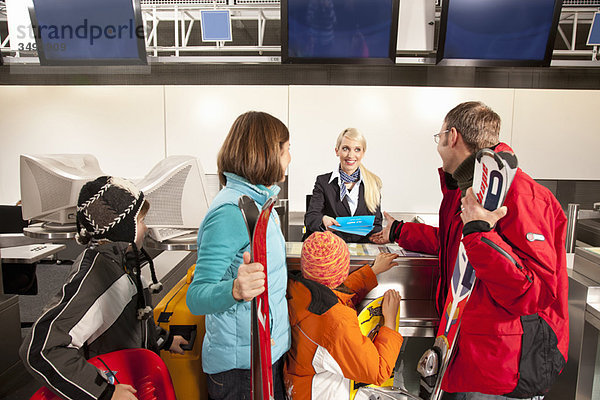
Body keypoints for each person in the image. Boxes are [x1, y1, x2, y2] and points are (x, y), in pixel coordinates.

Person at [372, 101, 568, 400]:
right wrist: (400, 231)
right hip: (461, 352)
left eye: (438, 138)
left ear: (453, 137)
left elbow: (534, 292)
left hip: (500, 367)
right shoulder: (466, 191)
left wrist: (481, 231)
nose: (438, 146)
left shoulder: (523, 196)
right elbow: (457, 245)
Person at [20, 176, 188, 400]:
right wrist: (104, 391)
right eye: (140, 221)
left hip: (133, 377)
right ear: (122, 227)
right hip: (115, 382)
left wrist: (164, 340)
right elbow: (40, 349)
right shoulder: (96, 275)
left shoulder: (123, 262)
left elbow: (132, 317)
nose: (146, 228)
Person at [186, 111, 291, 400]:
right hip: (241, 373)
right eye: (286, 150)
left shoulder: (259, 204)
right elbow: (197, 296)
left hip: (264, 356)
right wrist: (234, 289)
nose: (289, 159)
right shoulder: (230, 212)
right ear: (267, 154)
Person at [284, 231, 403, 400]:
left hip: (301, 389)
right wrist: (390, 320)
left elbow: (333, 293)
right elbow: (378, 371)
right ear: (343, 270)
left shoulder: (298, 291)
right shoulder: (336, 321)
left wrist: (372, 271)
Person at [304, 128, 383, 243]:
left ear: (363, 153)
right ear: (337, 151)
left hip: (361, 254)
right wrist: (323, 220)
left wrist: (375, 236)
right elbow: (311, 218)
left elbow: (376, 225)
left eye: (357, 149)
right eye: (345, 149)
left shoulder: (373, 183)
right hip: (332, 251)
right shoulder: (323, 182)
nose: (351, 155)